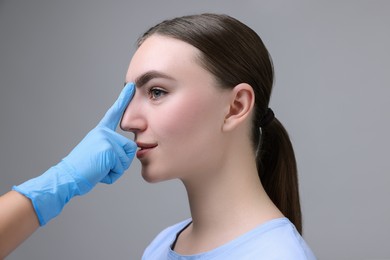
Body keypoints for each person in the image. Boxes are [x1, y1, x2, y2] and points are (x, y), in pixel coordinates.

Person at [0, 13, 316, 259]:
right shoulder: (163, 246)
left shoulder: (277, 256)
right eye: (130, 94)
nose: (127, 120)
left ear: (235, 106)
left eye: (157, 91)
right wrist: (59, 181)